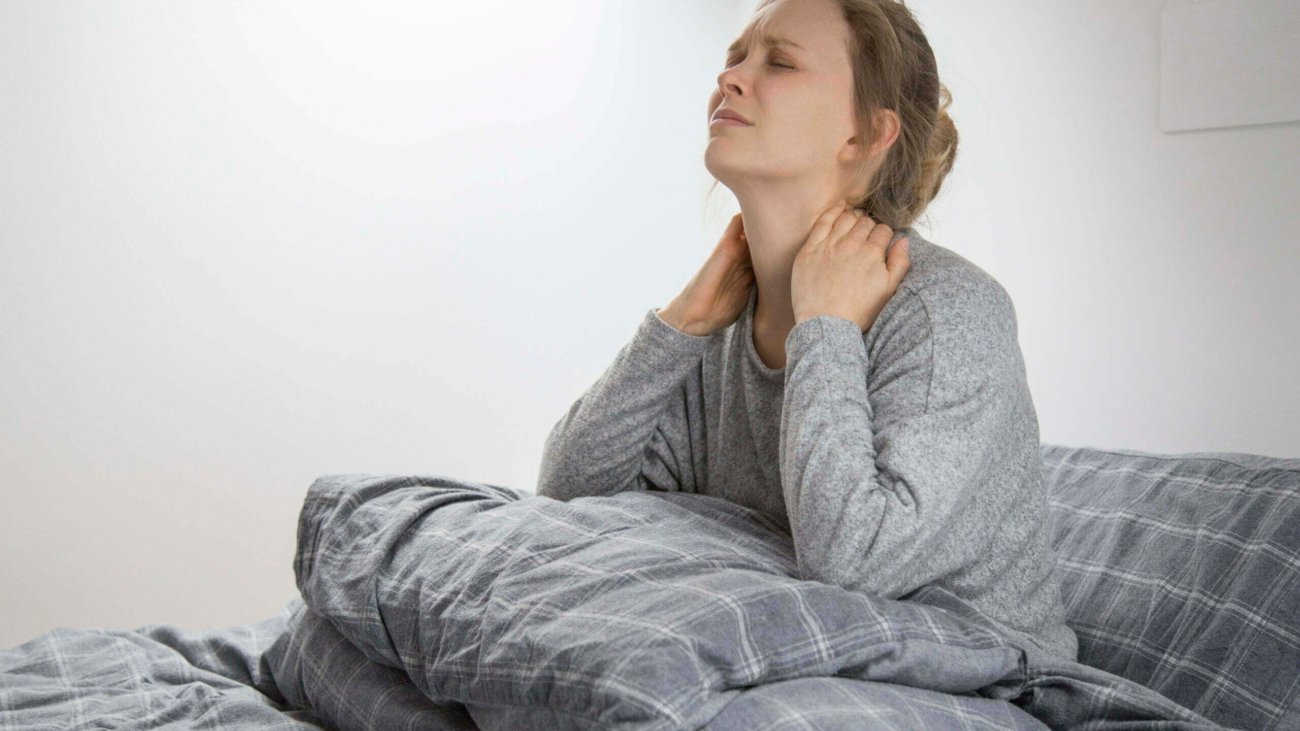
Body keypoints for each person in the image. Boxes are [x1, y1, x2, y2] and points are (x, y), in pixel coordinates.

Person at [536, 0, 1079, 663]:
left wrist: (824, 328)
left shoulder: (949, 311)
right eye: (735, 57)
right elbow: (568, 493)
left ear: (864, 136)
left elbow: (856, 563)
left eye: (780, 62)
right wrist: (679, 326)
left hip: (975, 676)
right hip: (808, 657)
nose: (731, 78)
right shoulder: (724, 323)